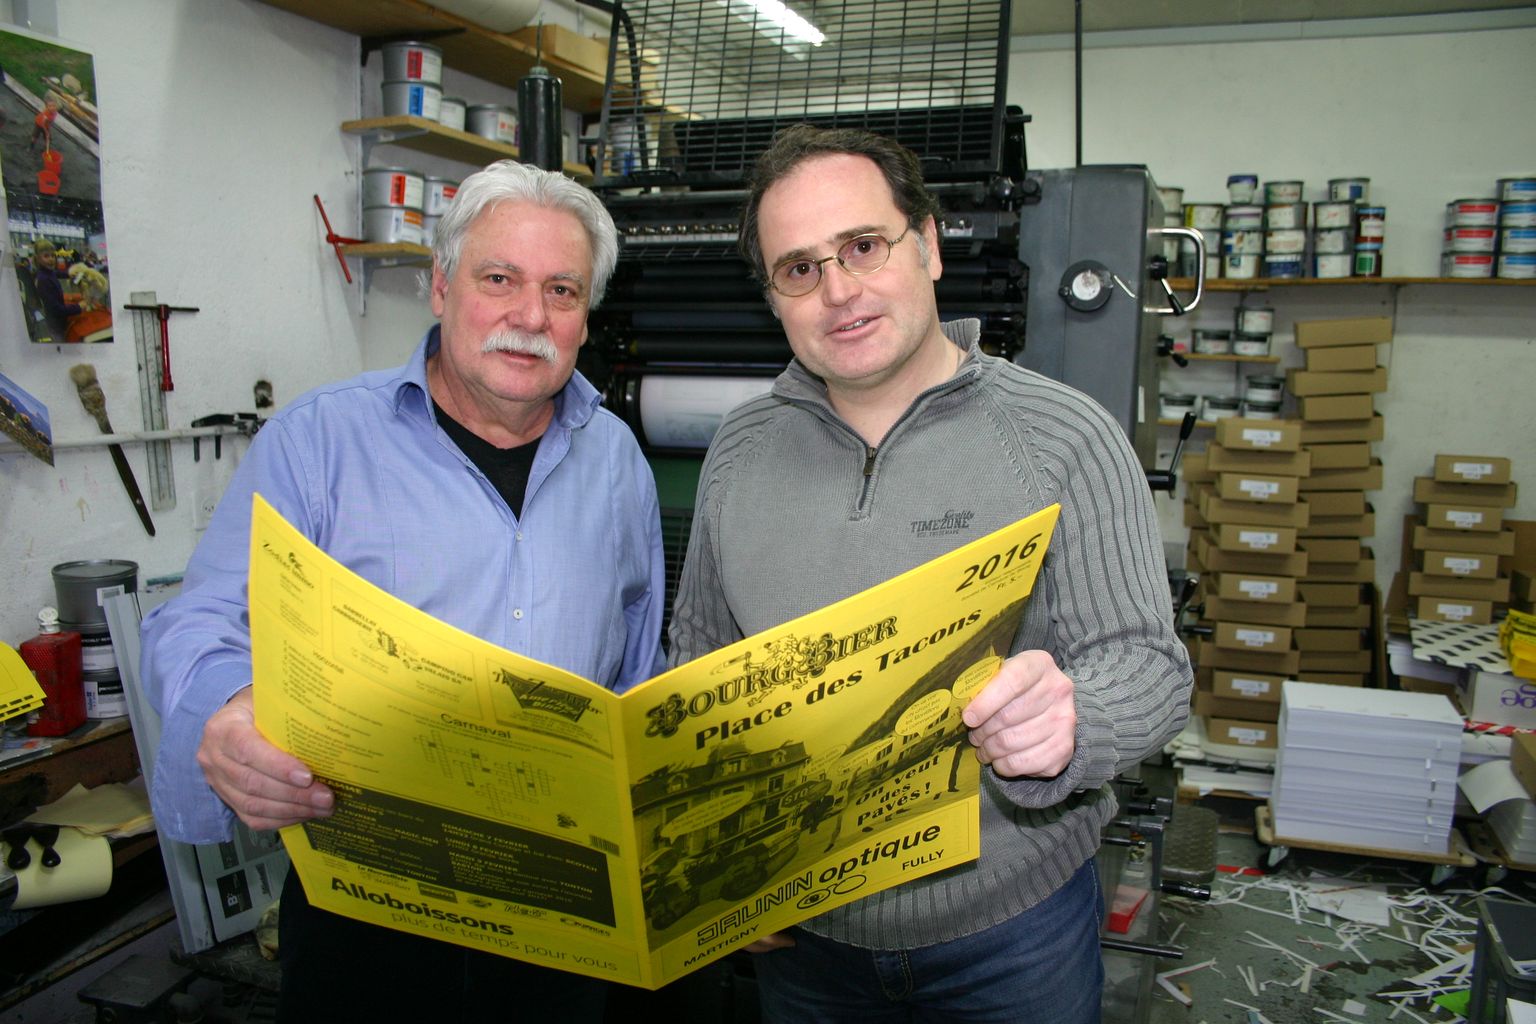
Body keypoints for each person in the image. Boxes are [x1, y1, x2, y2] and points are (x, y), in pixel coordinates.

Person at [668, 125, 1193, 1023]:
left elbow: (1149, 663)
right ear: (774, 297)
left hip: (1011, 941)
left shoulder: (1065, 437)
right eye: (799, 268)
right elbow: (700, 670)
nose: (838, 291)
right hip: (804, 940)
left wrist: (1077, 718)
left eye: (862, 246)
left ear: (930, 244)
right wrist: (725, 876)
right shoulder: (739, 452)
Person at [142, 159, 666, 1022]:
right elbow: (201, 617)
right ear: (443, 286)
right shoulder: (318, 443)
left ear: (585, 316)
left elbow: (638, 664)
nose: (529, 316)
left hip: (563, 911)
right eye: (500, 279)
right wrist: (234, 705)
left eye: (562, 291)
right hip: (369, 908)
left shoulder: (619, 462)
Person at [29, 238, 80, 343]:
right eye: (46, 256)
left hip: (57, 322)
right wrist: (79, 307)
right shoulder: (43, 280)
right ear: (38, 258)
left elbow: (57, 273)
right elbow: (57, 310)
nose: (51, 259)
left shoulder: (48, 272)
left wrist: (70, 273)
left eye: (53, 256)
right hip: (55, 326)